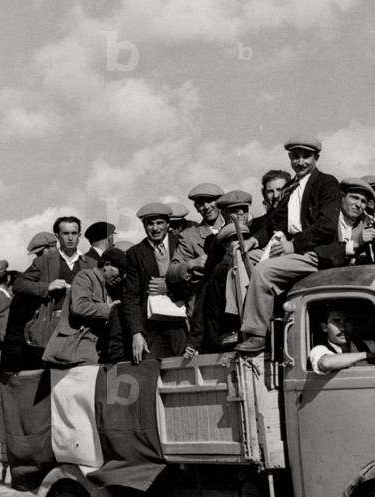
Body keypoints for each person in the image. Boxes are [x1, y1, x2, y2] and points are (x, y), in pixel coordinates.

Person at [235, 136, 343, 354]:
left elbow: (326, 226)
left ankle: (257, 333)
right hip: (292, 249)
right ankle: (237, 327)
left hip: (316, 253)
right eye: (296, 157)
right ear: (290, 158)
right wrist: (252, 241)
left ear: (316, 158)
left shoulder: (327, 183)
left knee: (264, 270)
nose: (300, 162)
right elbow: (274, 222)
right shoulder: (292, 187)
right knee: (243, 259)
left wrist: (294, 245)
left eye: (306, 157)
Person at [13, 216, 97, 360]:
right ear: (57, 236)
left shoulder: (91, 264)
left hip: (84, 328)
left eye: (74, 233)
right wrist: (47, 287)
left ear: (79, 236)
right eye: (65, 233)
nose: (70, 238)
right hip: (54, 327)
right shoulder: (43, 262)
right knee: (53, 373)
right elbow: (18, 285)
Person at [183, 190, 254, 356]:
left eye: (244, 209)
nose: (241, 213)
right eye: (235, 210)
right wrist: (195, 341)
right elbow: (206, 293)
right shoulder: (219, 260)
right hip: (227, 329)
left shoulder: (258, 234)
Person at [123, 203, 188, 362]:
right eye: (150, 224)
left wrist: (169, 288)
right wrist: (136, 333)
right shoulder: (136, 253)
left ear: (168, 224)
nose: (155, 228)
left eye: (159, 223)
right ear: (144, 226)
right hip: (152, 328)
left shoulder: (182, 244)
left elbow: (195, 283)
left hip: (183, 324)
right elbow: (131, 296)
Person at [42, 248, 127, 367]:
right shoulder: (85, 277)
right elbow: (79, 307)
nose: (121, 277)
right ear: (107, 265)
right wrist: (109, 309)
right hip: (73, 352)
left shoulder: (107, 287)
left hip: (87, 354)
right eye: (121, 271)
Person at [0, 232, 58, 374]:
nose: (38, 259)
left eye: (40, 254)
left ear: (51, 248)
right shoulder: (31, 286)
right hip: (36, 349)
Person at [308, 306, 375, 374]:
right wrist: (365, 355)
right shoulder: (319, 350)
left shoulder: (369, 345)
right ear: (324, 327)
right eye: (336, 321)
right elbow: (325, 363)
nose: (343, 328)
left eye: (347, 321)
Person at [335, 178, 375, 265]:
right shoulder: (328, 218)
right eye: (355, 198)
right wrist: (357, 242)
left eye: (363, 201)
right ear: (342, 196)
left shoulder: (365, 223)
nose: (358, 205)